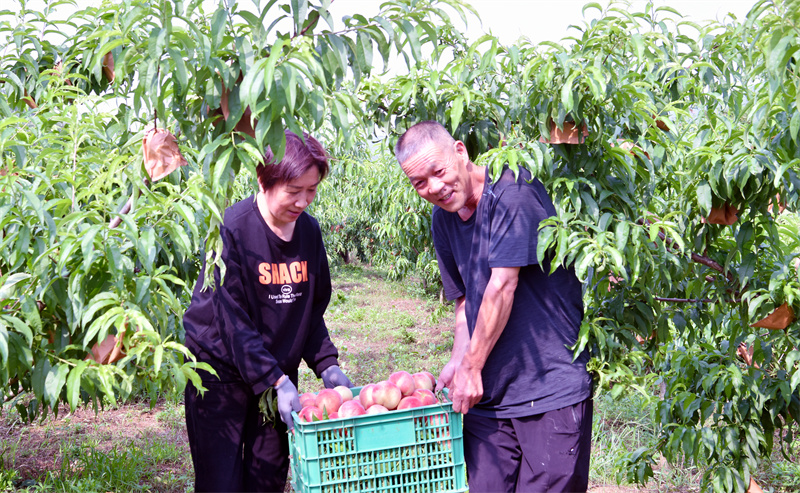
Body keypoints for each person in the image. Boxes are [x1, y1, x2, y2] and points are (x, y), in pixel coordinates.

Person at [395, 121, 594, 492]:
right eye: (419, 183)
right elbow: (466, 300)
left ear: (460, 151)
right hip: (489, 394)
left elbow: (503, 285)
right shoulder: (444, 220)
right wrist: (458, 361)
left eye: (438, 172)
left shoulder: (512, 190)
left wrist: (471, 365)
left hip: (547, 387)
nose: (434, 188)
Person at [182, 130, 352, 493]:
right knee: (220, 482)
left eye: (312, 190)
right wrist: (276, 380)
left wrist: (327, 364)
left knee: (268, 478)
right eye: (294, 191)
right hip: (219, 374)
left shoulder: (309, 232)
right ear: (263, 179)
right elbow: (233, 324)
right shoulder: (230, 229)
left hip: (275, 375)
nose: (303, 201)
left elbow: (309, 309)